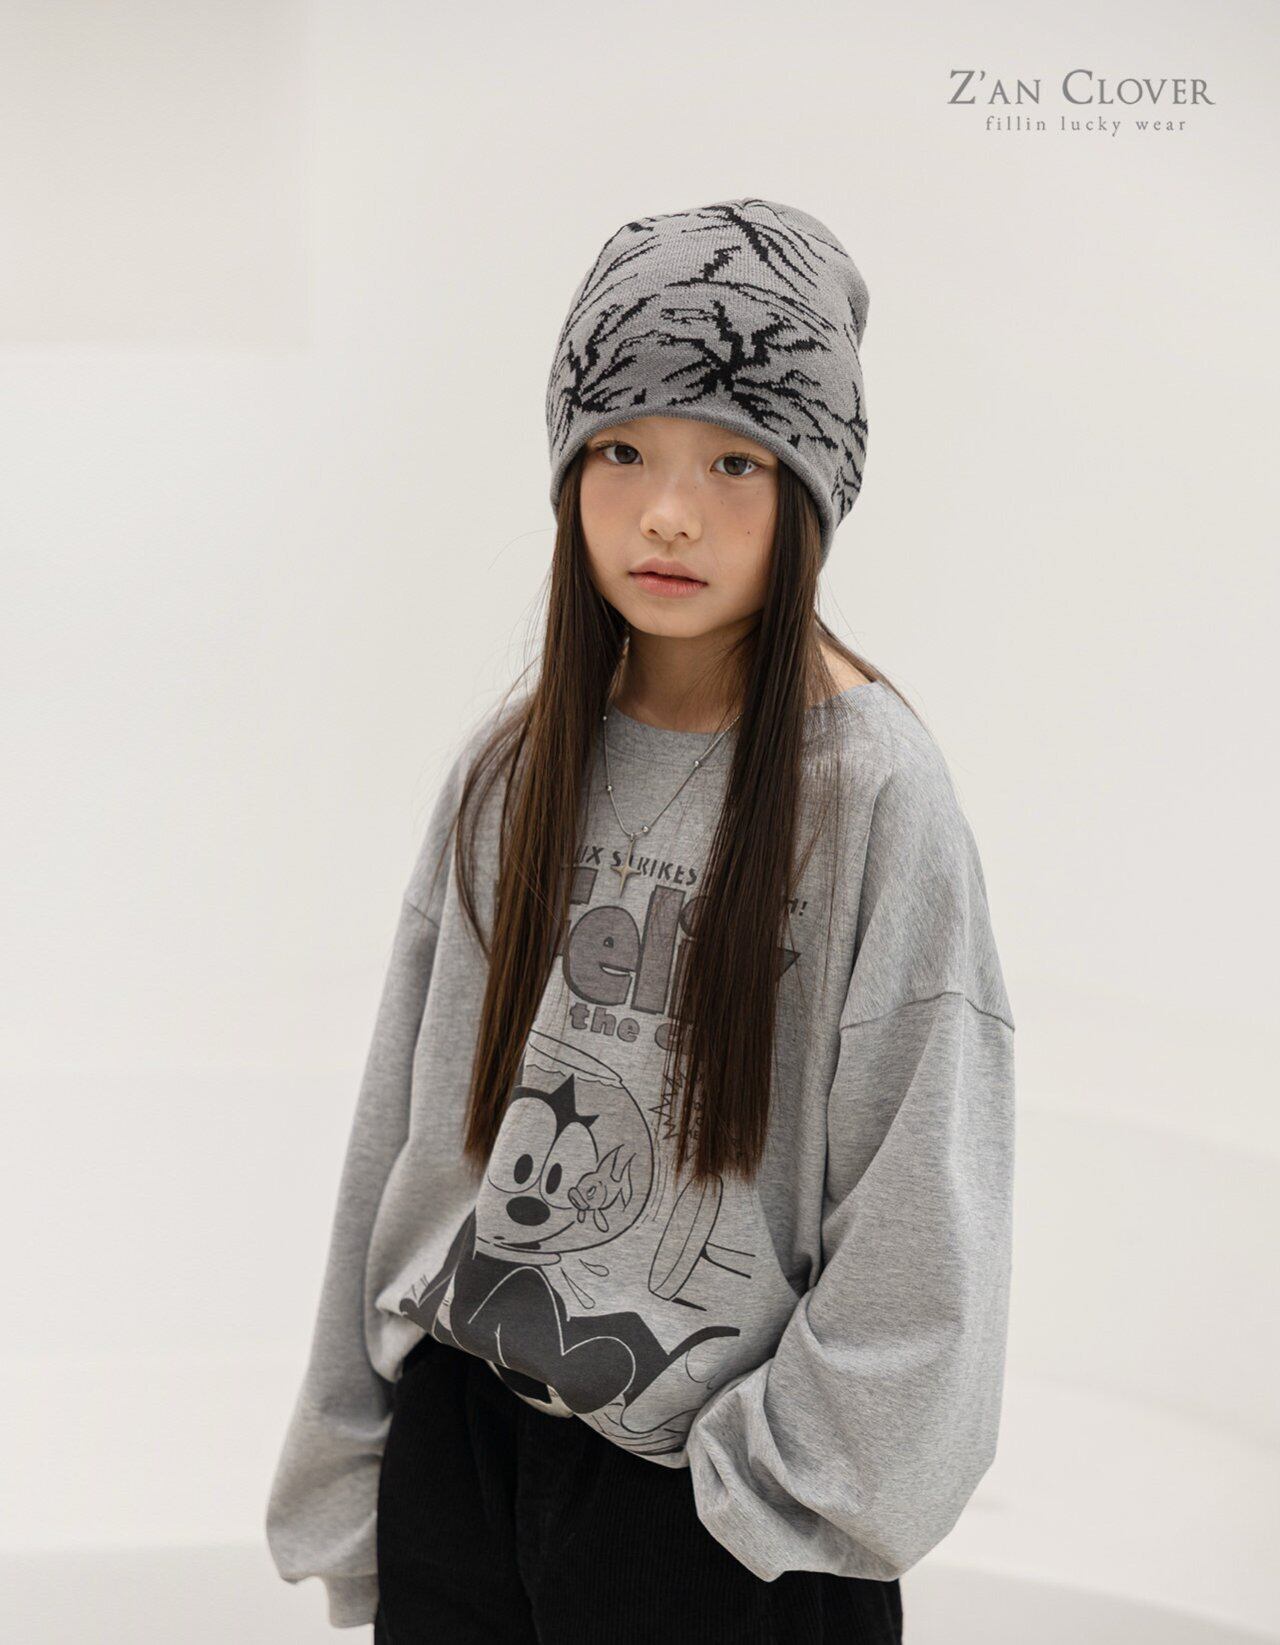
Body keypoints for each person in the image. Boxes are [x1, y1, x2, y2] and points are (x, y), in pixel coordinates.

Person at [265, 197, 1016, 1644]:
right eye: (622, 450)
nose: (670, 511)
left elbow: (922, 1205)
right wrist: (357, 1476)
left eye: (736, 460)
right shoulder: (515, 768)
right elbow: (407, 1141)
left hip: (717, 1516)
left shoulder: (872, 793)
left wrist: (770, 1495)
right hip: (466, 1454)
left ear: (812, 490)